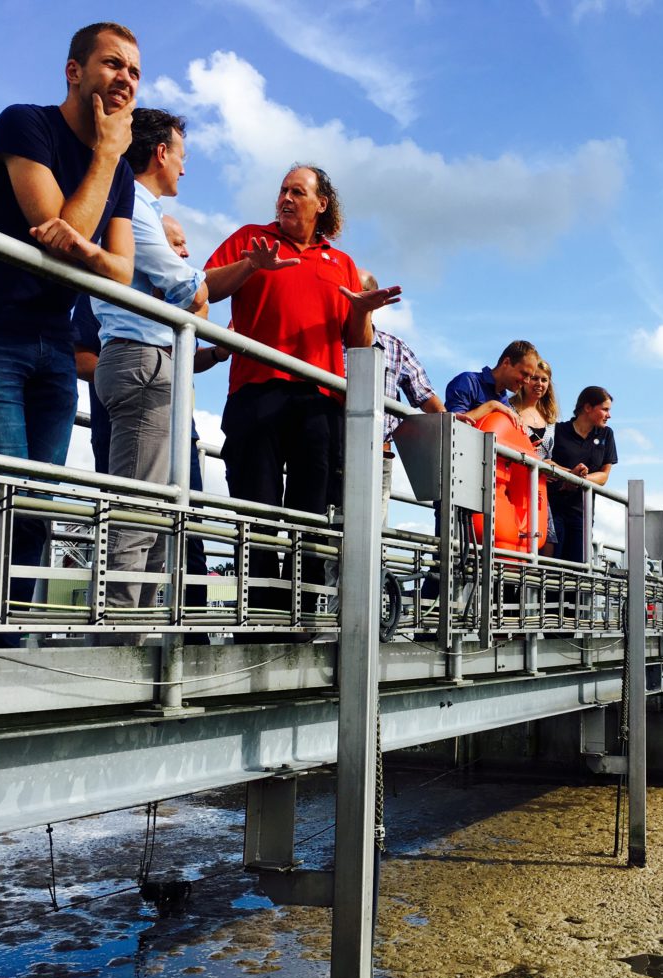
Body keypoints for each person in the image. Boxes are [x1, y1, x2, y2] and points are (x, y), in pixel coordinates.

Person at [0, 22, 138, 642]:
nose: (125, 79)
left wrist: (85, 247)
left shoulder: (122, 174)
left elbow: (121, 273)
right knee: (5, 495)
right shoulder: (26, 124)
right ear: (74, 72)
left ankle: (13, 640)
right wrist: (104, 156)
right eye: (112, 65)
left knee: (38, 508)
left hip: (54, 346)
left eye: (134, 71)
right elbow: (51, 225)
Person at [205, 165, 400, 621]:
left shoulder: (343, 263)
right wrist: (252, 264)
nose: (286, 198)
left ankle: (301, 621)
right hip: (256, 393)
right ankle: (258, 621)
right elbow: (207, 288)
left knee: (311, 515)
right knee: (257, 510)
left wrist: (363, 313)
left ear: (321, 203)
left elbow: (357, 345)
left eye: (298, 191)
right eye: (282, 190)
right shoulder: (252, 238)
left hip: (319, 403)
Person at [89, 109, 216, 630]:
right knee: (139, 509)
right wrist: (195, 284)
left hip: (151, 360)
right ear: (161, 153)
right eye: (182, 156)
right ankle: (119, 637)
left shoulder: (138, 206)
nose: (184, 168)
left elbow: (191, 292)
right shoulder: (135, 206)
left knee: (163, 513)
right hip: (142, 358)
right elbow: (188, 290)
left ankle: (143, 634)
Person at [356, 269, 446, 525]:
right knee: (325, 535)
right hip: (331, 450)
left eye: (356, 289)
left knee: (371, 534)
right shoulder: (325, 340)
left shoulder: (395, 347)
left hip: (378, 455)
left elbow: (427, 398)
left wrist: (450, 420)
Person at [548, 386, 618, 564]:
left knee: (577, 573)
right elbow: (546, 463)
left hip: (582, 515)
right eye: (605, 409)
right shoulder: (557, 431)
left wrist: (581, 479)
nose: (608, 415)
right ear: (587, 407)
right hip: (553, 510)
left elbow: (603, 476)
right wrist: (569, 475)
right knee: (551, 567)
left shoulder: (607, 434)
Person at [512, 360, 559, 555]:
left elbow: (548, 456)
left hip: (540, 489)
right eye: (534, 378)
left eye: (544, 379)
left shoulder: (549, 417)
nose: (539, 384)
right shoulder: (510, 408)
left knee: (547, 544)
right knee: (515, 540)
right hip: (515, 485)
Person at [444, 340, 539, 423]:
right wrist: (492, 405)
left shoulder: (505, 402)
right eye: (524, 374)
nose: (527, 381)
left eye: (530, 377)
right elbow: (454, 424)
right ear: (506, 362)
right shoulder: (468, 382)